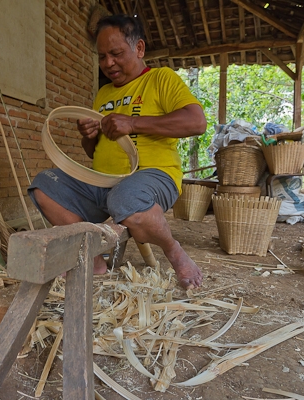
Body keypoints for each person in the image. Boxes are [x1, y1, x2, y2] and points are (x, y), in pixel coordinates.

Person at [28, 14, 207, 290]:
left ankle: (174, 251)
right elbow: (92, 153)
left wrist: (132, 122)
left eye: (116, 53)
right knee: (44, 186)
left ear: (139, 49)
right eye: (102, 57)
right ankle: (95, 259)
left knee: (125, 199)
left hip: (152, 176)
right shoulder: (103, 94)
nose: (108, 63)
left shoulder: (161, 79)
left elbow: (197, 122)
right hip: (102, 183)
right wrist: (88, 136)